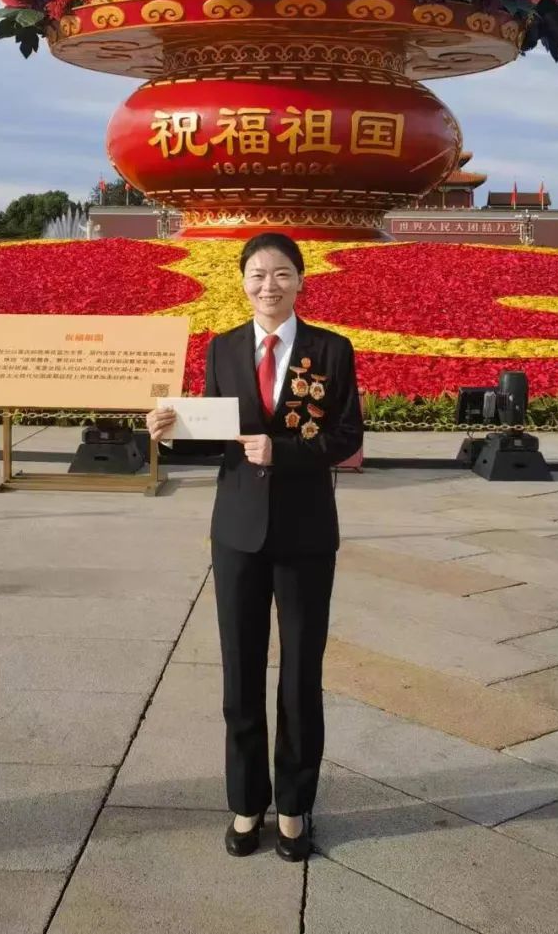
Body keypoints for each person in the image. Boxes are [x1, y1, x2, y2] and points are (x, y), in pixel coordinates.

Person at [146, 232, 363, 862]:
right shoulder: (223, 348)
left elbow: (347, 435)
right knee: (240, 673)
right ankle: (246, 802)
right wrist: (168, 431)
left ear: (301, 280)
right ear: (242, 282)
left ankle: (294, 806)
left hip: (305, 535)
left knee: (300, 676)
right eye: (258, 275)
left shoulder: (331, 349)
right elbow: (214, 436)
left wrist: (284, 450)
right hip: (237, 532)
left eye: (282, 274)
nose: (269, 285)